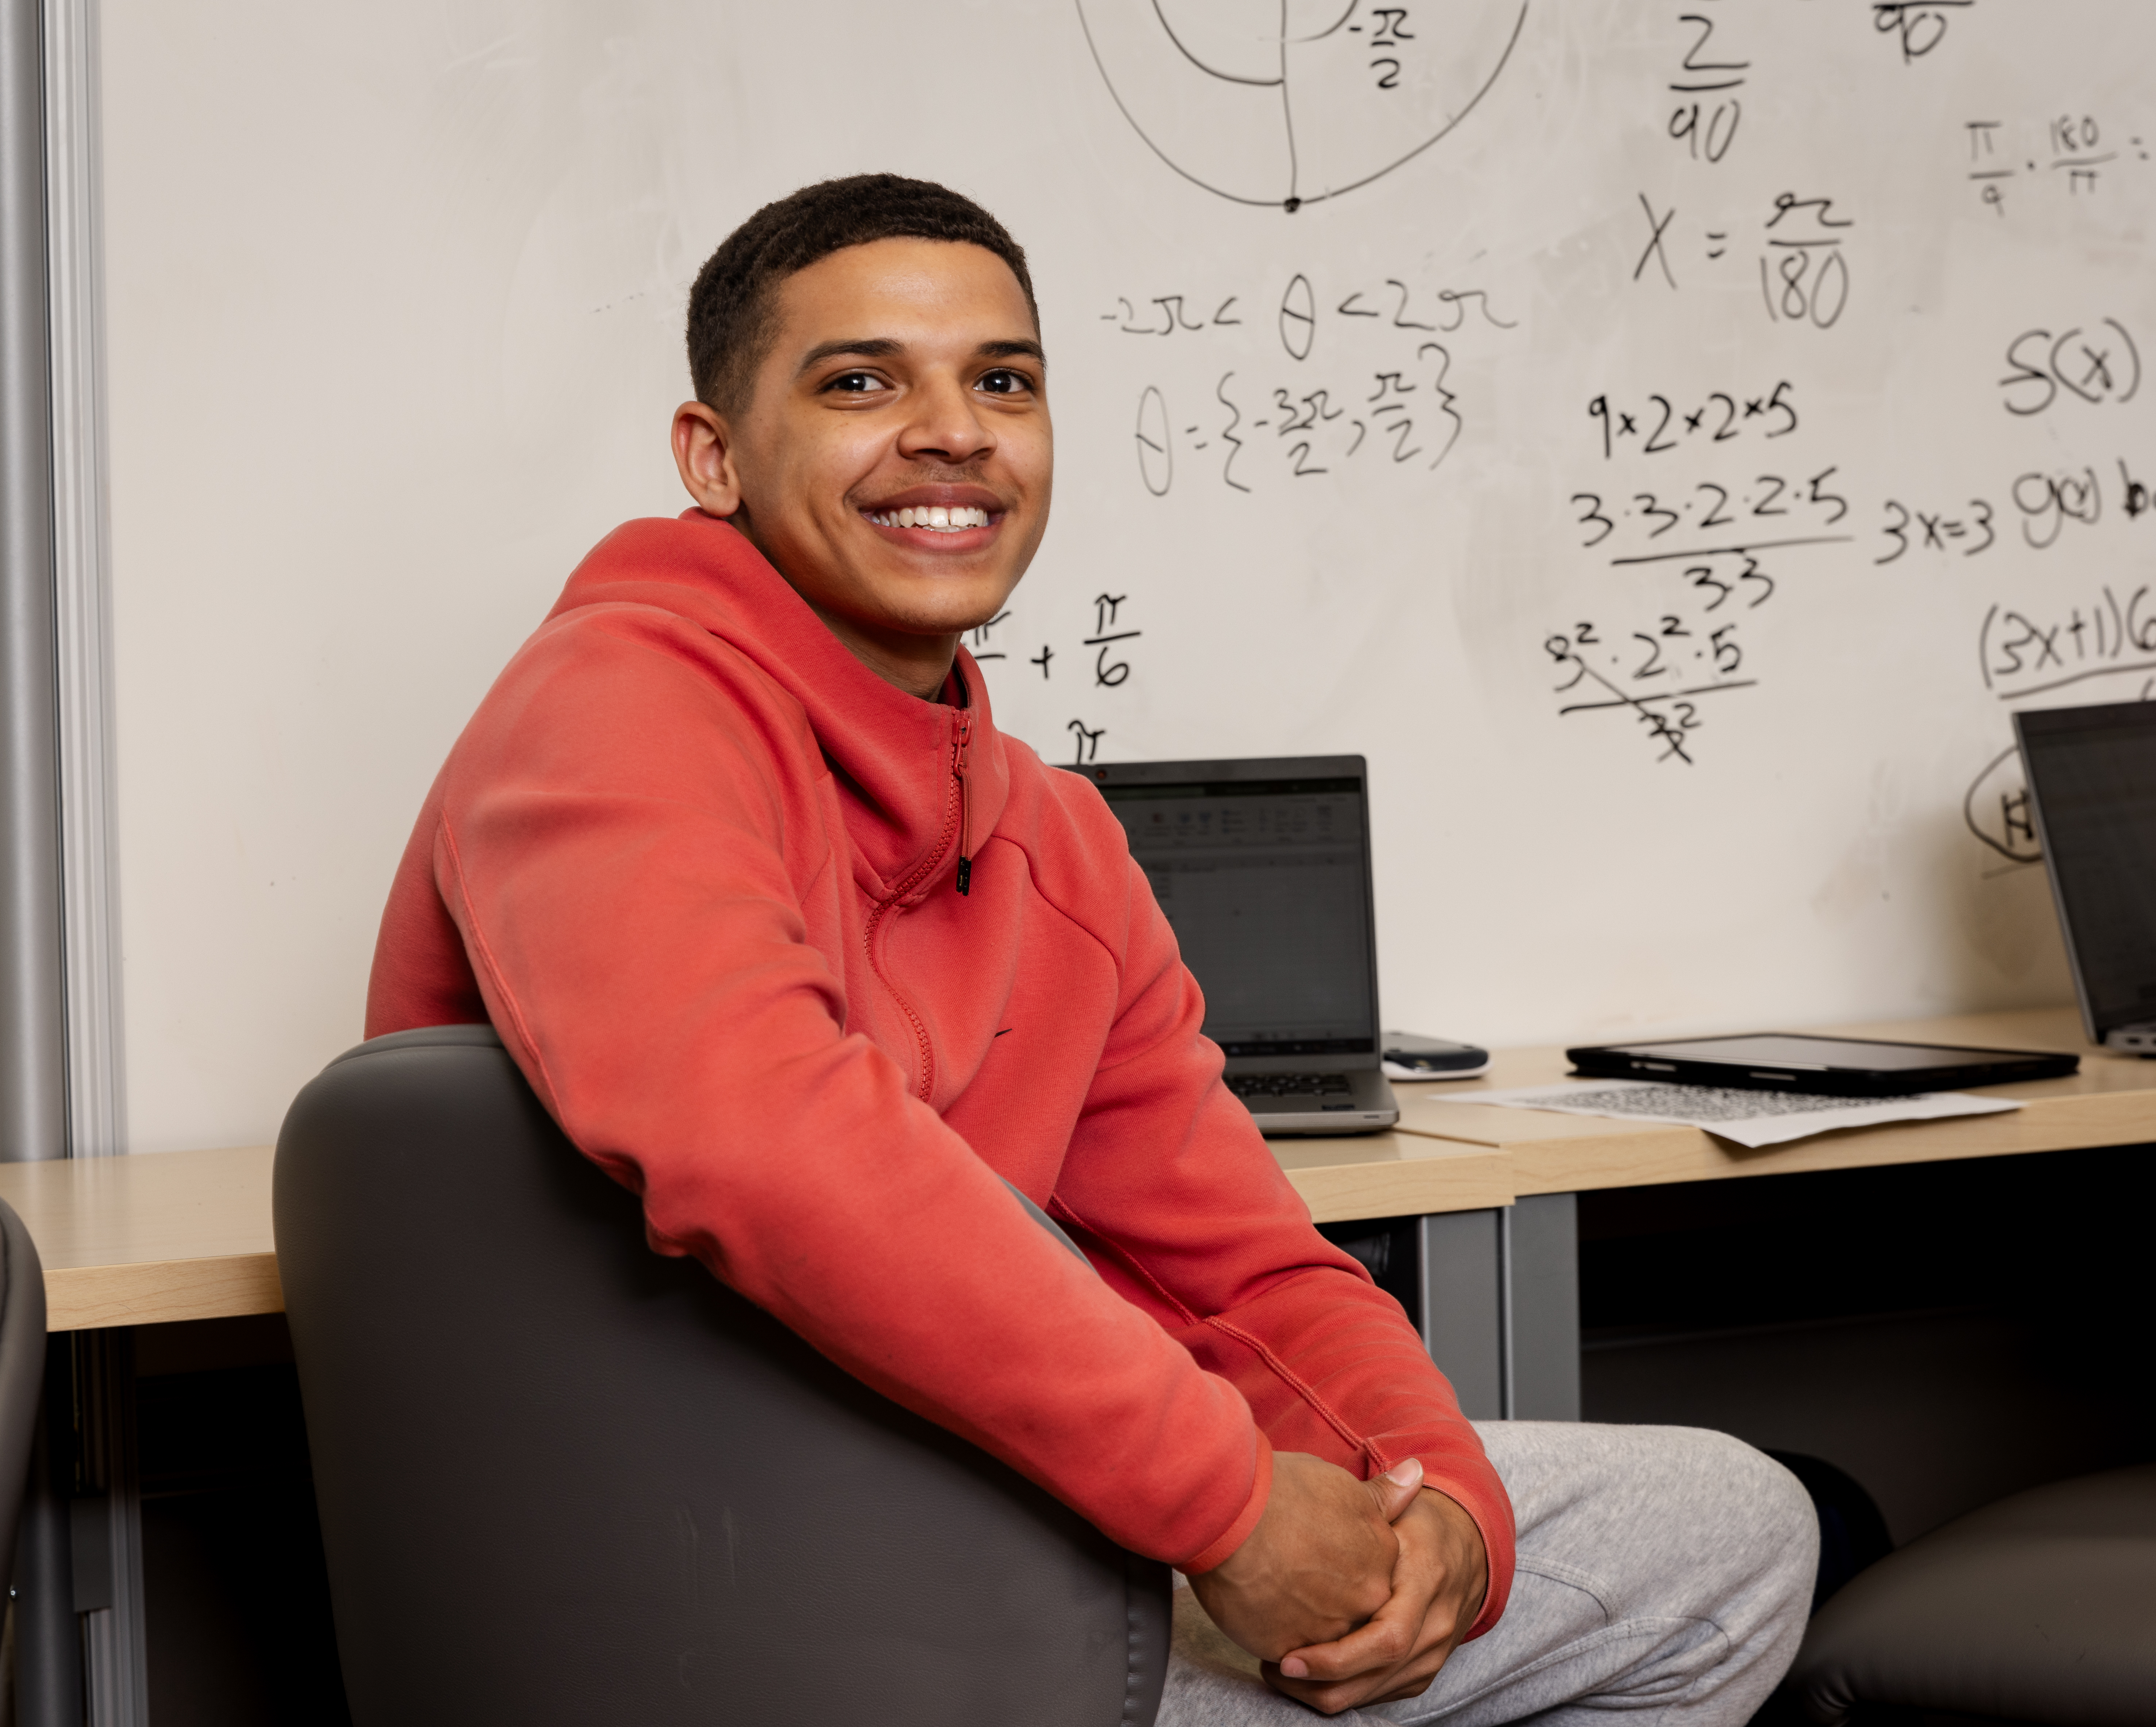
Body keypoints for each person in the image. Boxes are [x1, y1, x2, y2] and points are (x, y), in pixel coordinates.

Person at [367, 173, 1815, 1722]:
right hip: (727, 1599)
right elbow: (763, 1142)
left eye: (1003, 381)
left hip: (983, 1511)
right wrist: (1226, 1509)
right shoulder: (613, 712)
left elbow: (1234, 1265)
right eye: (859, 382)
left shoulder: (1049, 836)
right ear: (711, 458)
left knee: (1734, 1520)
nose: (951, 430)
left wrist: (1435, 1504)